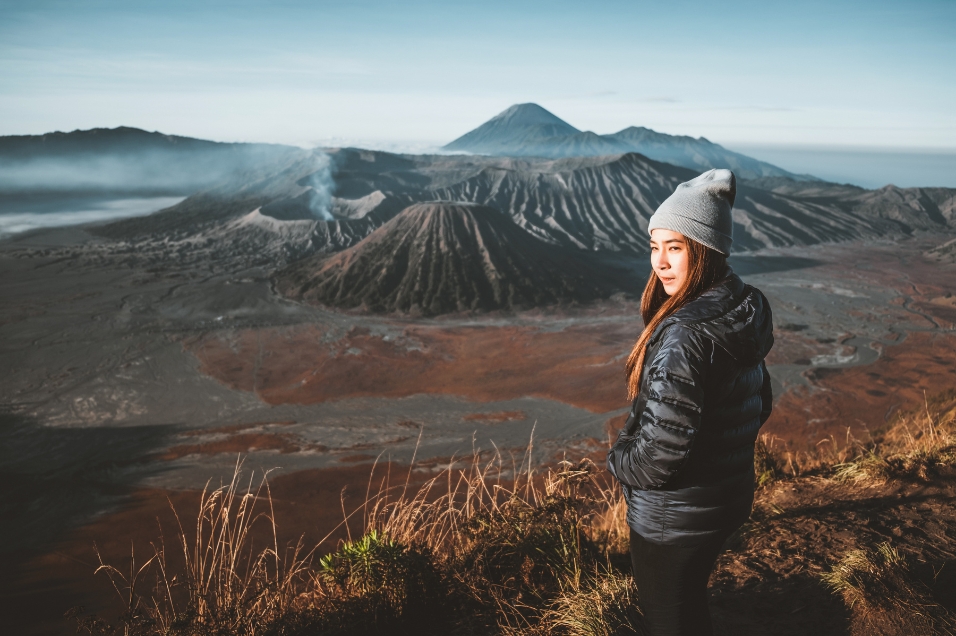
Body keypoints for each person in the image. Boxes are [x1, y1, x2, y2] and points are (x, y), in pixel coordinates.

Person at [606, 169, 774, 636]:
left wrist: (618, 460)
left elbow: (658, 457)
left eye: (675, 247)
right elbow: (761, 403)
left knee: (667, 619)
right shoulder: (741, 309)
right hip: (726, 498)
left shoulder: (685, 335)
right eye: (655, 247)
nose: (660, 262)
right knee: (688, 603)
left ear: (705, 251)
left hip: (673, 520)